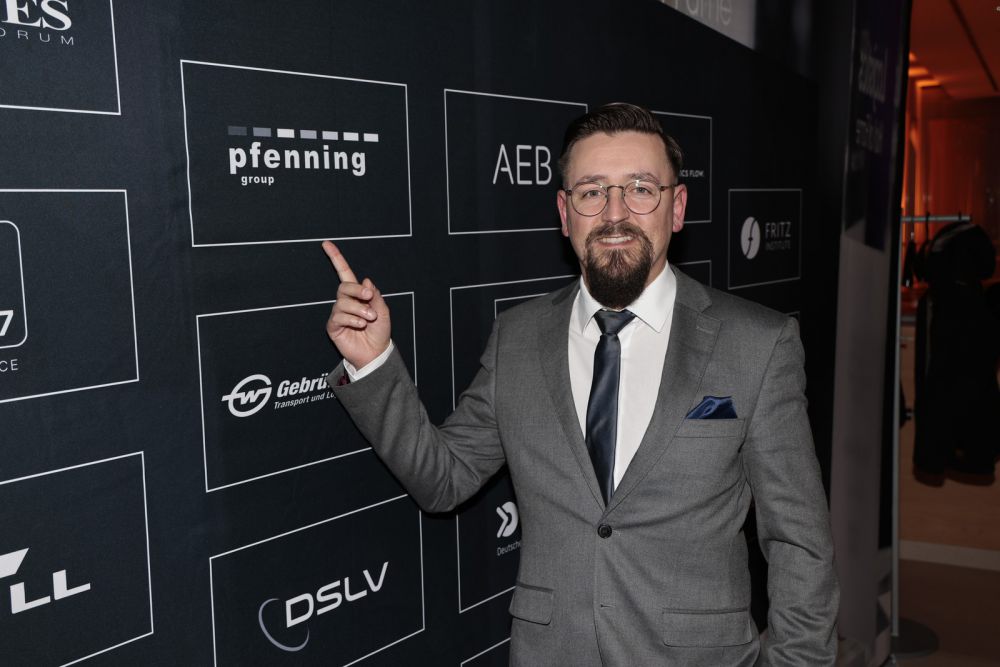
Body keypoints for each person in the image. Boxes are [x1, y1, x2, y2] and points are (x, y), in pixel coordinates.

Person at [322, 103, 838, 665]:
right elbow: (444, 479)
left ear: (677, 207)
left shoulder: (757, 343)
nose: (615, 213)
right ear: (565, 213)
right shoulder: (518, 338)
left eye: (640, 189)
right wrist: (373, 364)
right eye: (592, 192)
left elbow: (800, 543)